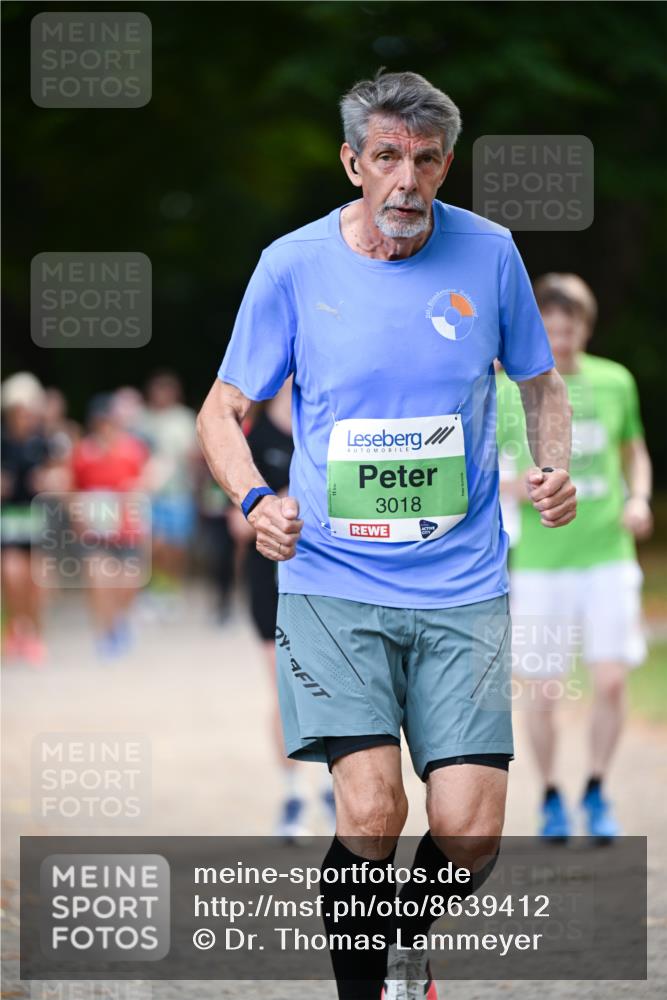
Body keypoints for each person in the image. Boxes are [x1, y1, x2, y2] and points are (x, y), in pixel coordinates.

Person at [197, 70, 576, 1000]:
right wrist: (255, 502)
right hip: (331, 581)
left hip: (462, 586)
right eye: (385, 159)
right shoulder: (292, 264)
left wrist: (553, 466)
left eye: (424, 160)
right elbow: (222, 409)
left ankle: (401, 935)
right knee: (370, 810)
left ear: (446, 165)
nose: (405, 181)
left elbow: (539, 382)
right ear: (351, 164)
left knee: (469, 829)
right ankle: (366, 992)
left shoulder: (489, 255)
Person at [496, 273, 652, 843]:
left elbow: (635, 453)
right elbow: (487, 472)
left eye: (571, 326)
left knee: (610, 682)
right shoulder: (515, 389)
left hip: (607, 554)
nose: (560, 338)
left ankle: (595, 787)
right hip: (540, 563)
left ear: (586, 326)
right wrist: (514, 487)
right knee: (543, 688)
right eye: (551, 327)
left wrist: (637, 497)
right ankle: (552, 796)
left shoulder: (616, 382)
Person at [227, 377, 337, 839]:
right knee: (284, 688)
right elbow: (236, 524)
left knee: (336, 688)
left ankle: (339, 789)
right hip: (271, 577)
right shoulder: (250, 436)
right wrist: (278, 507)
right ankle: (293, 794)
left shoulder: (333, 425)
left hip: (333, 578)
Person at [71, 394, 149, 660]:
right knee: (100, 581)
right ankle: (104, 634)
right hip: (97, 529)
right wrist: (79, 517)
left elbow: (144, 482)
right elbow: (74, 489)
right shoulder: (83, 452)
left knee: (128, 583)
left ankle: (119, 621)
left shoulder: (132, 450)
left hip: (127, 527)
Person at [1, 373, 59, 665]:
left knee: (38, 581)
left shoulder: (43, 442)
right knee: (12, 575)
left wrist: (49, 479)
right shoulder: (2, 441)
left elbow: (61, 475)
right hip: (9, 518)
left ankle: (34, 634)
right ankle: (15, 627)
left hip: (37, 516)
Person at [140, 372, 199, 606]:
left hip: (179, 491)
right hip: (151, 493)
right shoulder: (143, 419)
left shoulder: (184, 419)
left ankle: (172, 587)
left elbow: (196, 451)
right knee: (154, 543)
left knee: (177, 544)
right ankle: (156, 585)